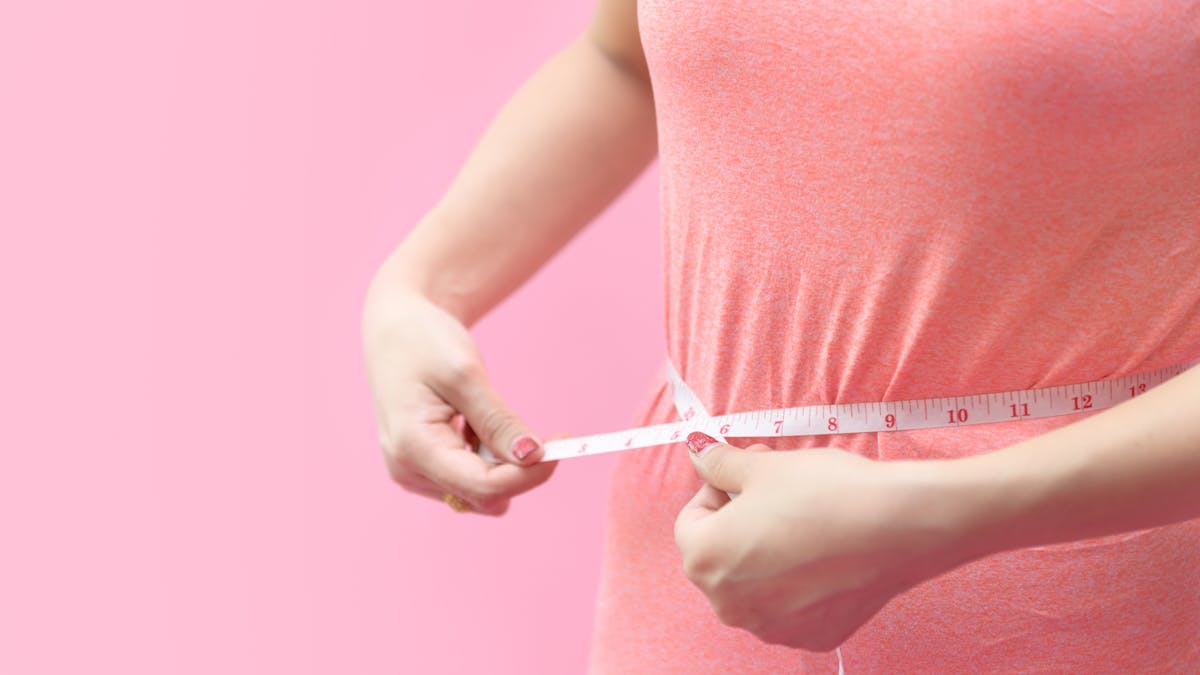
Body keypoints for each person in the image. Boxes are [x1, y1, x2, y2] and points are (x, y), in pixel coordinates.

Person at [362, 0, 1200, 671]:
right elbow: (623, 60)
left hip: (1087, 606)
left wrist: (946, 512)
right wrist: (421, 290)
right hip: (696, 581)